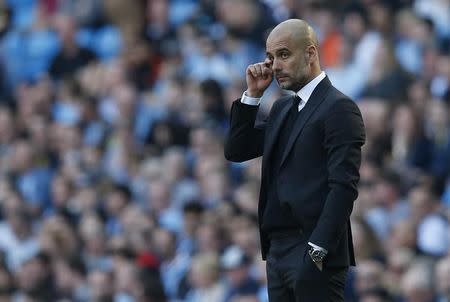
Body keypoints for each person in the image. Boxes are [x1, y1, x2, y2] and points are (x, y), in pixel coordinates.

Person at [224, 19, 366, 301]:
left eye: (284, 54)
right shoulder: (283, 107)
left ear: (311, 53)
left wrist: (317, 250)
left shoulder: (339, 108)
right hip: (277, 253)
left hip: (312, 251)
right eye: (270, 57)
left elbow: (344, 187)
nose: (274, 65)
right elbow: (236, 150)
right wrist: (252, 96)